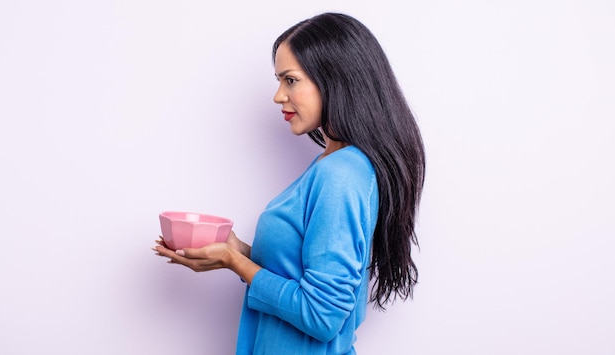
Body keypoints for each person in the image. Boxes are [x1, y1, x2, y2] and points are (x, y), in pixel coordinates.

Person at [154, 12, 425, 354]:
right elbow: (302, 282)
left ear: (335, 80)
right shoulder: (332, 165)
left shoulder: (341, 174)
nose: (278, 95)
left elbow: (321, 316)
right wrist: (237, 252)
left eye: (291, 80)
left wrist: (236, 262)